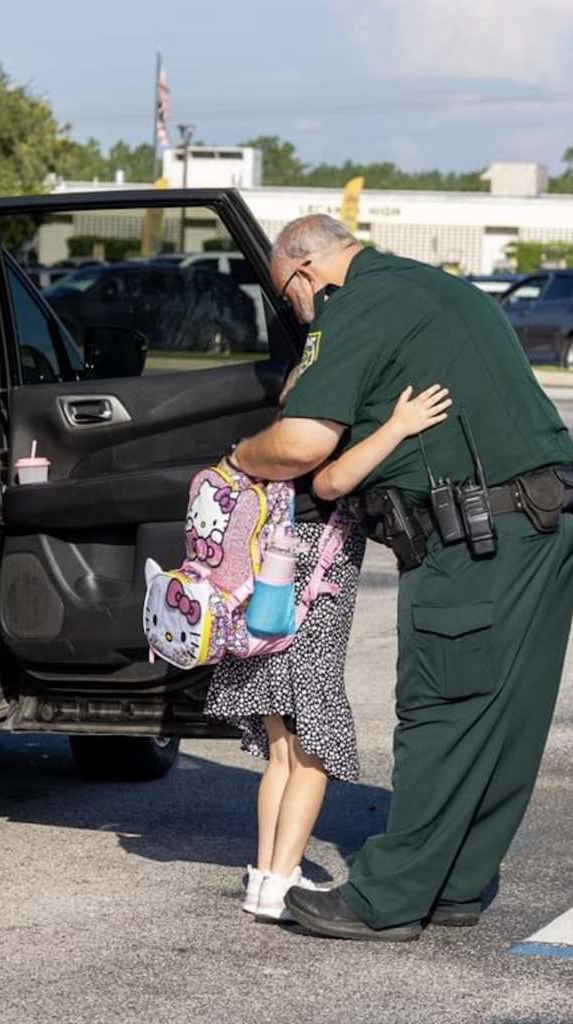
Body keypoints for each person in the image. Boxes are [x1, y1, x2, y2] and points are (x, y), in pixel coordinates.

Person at [224, 214, 573, 941]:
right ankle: (455, 884)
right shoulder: (431, 288)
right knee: (508, 713)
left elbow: (301, 444)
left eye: (289, 301)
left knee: (441, 709)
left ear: (305, 275)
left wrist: (241, 456)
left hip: (476, 537)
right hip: (552, 512)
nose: (297, 317)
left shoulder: (354, 305)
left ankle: (385, 901)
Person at [205, 369, 451, 922]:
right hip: (311, 618)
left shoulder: (272, 450)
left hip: (265, 618)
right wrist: (398, 426)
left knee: (281, 755)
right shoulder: (318, 448)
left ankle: (265, 876)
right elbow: (333, 483)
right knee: (310, 755)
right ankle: (281, 879)